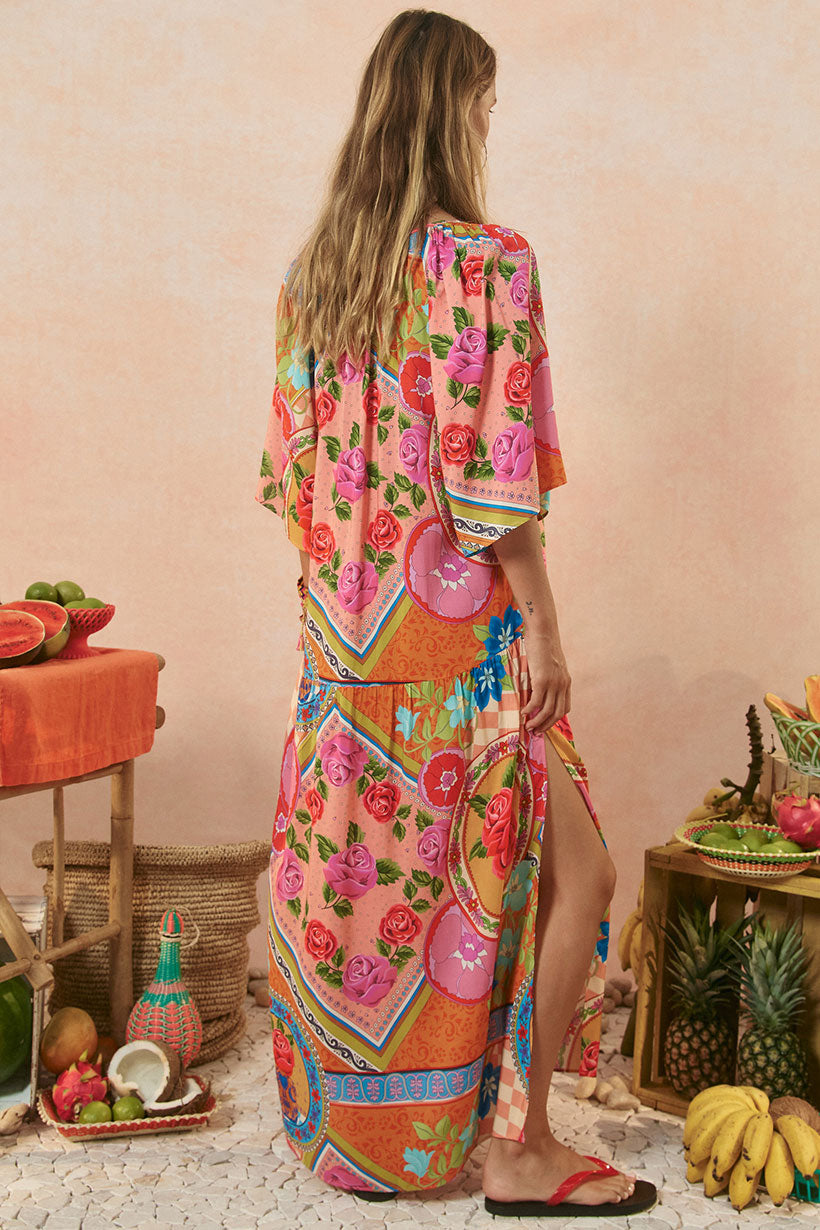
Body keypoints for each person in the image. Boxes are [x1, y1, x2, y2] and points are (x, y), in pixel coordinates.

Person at [254, 8, 657, 1218]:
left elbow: (293, 488)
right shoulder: (483, 264)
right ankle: (519, 1153)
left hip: (347, 654)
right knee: (571, 878)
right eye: (482, 105)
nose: (489, 123)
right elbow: (495, 479)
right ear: (449, 117)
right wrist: (544, 627)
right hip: (464, 650)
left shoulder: (313, 283)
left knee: (390, 896)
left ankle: (382, 1138)